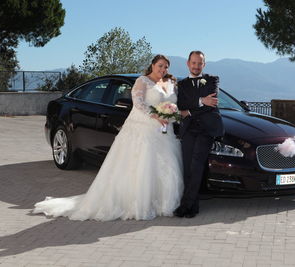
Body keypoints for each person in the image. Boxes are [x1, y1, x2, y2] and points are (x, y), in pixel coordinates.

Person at [33, 55, 183, 221]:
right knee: (141, 166)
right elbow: (139, 104)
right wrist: (157, 115)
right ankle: (139, 203)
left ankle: (163, 203)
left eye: (166, 67)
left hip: (164, 131)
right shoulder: (142, 81)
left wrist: (171, 113)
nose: (163, 69)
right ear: (153, 65)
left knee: (164, 165)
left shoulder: (169, 83)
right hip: (143, 129)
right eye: (160, 66)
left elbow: (175, 104)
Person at [174, 51, 224, 218]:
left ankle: (185, 205)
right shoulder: (182, 85)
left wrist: (190, 109)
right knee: (188, 167)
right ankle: (193, 207)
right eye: (193, 63)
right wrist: (201, 101)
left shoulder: (212, 80)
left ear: (204, 64)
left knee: (196, 165)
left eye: (199, 63)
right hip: (188, 129)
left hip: (206, 130)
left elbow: (212, 104)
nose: (196, 66)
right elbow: (181, 104)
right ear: (188, 63)